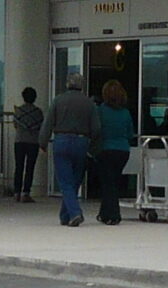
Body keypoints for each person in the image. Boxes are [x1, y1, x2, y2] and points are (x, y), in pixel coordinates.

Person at [43, 76, 97, 227]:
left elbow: (48, 123)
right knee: (75, 179)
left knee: (65, 180)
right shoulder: (89, 103)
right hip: (82, 142)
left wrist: (42, 142)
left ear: (67, 85)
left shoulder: (58, 100)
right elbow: (96, 128)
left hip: (61, 141)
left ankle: (74, 213)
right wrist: (93, 146)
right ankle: (65, 215)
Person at [92, 79, 134, 225]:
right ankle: (105, 213)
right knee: (113, 181)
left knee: (107, 183)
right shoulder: (126, 113)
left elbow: (95, 130)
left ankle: (113, 214)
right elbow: (130, 134)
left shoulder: (100, 111)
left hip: (106, 149)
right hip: (123, 151)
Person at [9, 86, 45, 203]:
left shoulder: (18, 111)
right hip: (33, 142)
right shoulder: (38, 112)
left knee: (19, 167)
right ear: (35, 98)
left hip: (19, 141)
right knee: (30, 167)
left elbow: (15, 125)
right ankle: (26, 193)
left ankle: (16, 193)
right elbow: (41, 127)